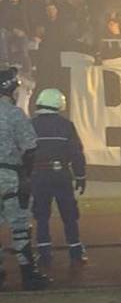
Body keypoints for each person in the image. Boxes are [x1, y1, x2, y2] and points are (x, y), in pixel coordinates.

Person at [0, 67, 50, 291]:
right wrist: (26, 176)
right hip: (11, 174)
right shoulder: (15, 114)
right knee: (20, 226)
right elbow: (30, 148)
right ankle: (28, 273)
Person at [30, 88, 87, 269]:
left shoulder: (30, 124)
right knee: (69, 215)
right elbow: (76, 153)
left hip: (38, 176)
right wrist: (80, 176)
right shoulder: (66, 125)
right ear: (59, 104)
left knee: (41, 216)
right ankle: (75, 251)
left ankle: (44, 252)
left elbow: (24, 152)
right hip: (61, 175)